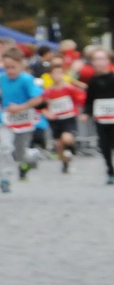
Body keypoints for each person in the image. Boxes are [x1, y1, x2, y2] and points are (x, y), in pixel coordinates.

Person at [0, 47, 44, 193]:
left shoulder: (27, 79)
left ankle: (33, 155)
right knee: (5, 147)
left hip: (24, 120)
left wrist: (21, 107)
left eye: (13, 67)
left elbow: (38, 98)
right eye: (6, 67)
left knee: (20, 154)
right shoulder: (2, 78)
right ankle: (5, 176)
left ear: (21, 65)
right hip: (5, 119)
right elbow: (2, 92)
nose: (10, 71)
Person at [41, 61, 85, 172]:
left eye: (60, 73)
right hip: (56, 120)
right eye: (55, 73)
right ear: (50, 75)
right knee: (58, 144)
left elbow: (81, 99)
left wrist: (83, 111)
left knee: (67, 138)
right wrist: (46, 112)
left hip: (68, 117)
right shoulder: (48, 91)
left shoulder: (69, 88)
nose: (58, 76)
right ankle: (65, 162)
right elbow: (42, 105)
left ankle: (72, 147)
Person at [81, 46, 114, 183]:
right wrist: (86, 113)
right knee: (105, 146)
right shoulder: (93, 81)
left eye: (101, 59)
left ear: (108, 61)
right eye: (96, 59)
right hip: (101, 119)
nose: (98, 62)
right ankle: (110, 170)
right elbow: (90, 100)